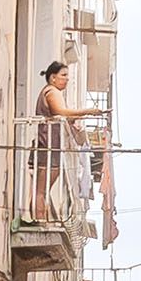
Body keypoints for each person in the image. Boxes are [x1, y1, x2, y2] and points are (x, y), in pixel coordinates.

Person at [31, 62, 105, 222]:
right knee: (42, 189)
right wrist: (88, 111)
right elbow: (60, 111)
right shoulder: (52, 91)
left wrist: (76, 120)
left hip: (52, 143)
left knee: (43, 188)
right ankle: (40, 219)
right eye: (63, 75)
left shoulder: (53, 92)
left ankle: (42, 218)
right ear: (53, 77)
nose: (67, 79)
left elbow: (64, 115)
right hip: (48, 143)